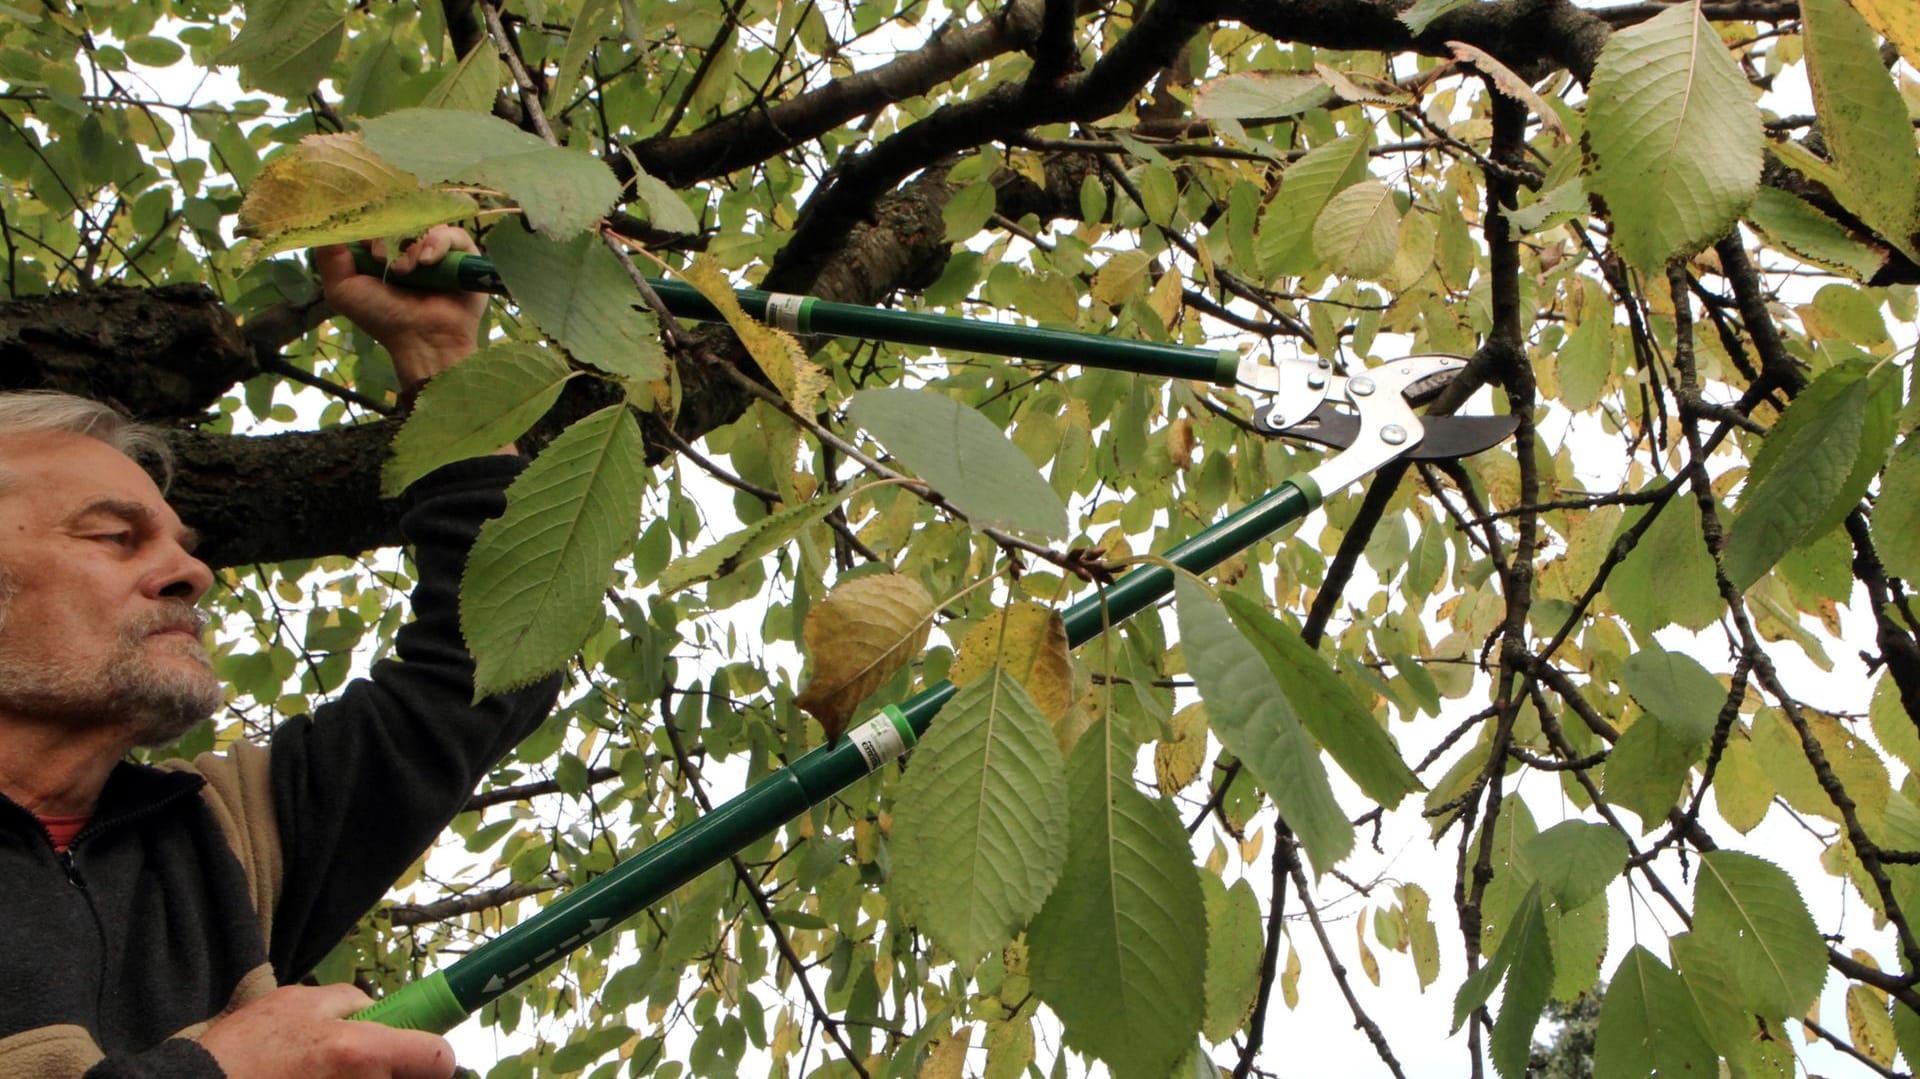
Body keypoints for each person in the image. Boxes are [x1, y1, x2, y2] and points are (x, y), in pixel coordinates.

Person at [0, 228, 562, 1079]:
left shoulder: (220, 838)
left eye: (182, 542)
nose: (191, 571)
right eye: (117, 535)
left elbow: (491, 659)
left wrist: (442, 359)